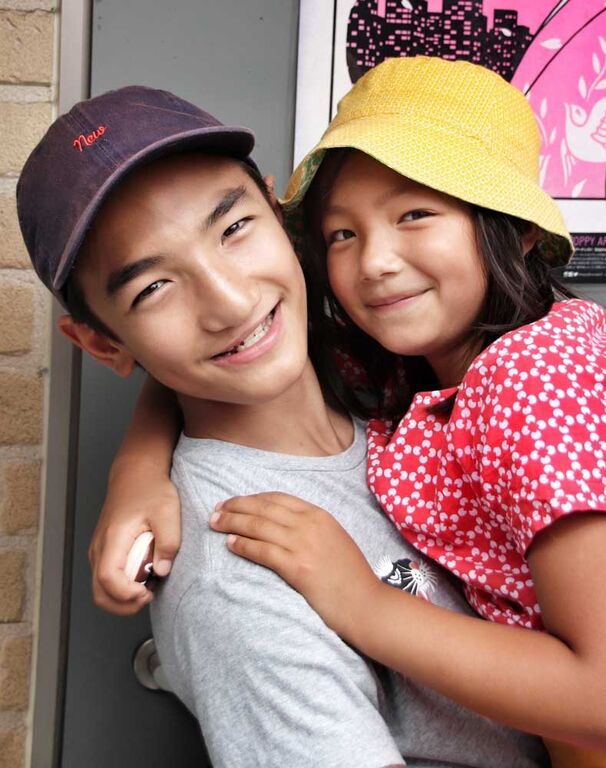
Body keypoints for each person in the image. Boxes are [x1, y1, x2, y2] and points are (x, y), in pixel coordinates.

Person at [16, 85, 548, 768]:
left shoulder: (381, 359)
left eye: (234, 229)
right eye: (153, 289)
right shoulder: (238, 577)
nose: (231, 301)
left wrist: (137, 463)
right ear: (101, 344)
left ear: (278, 213)